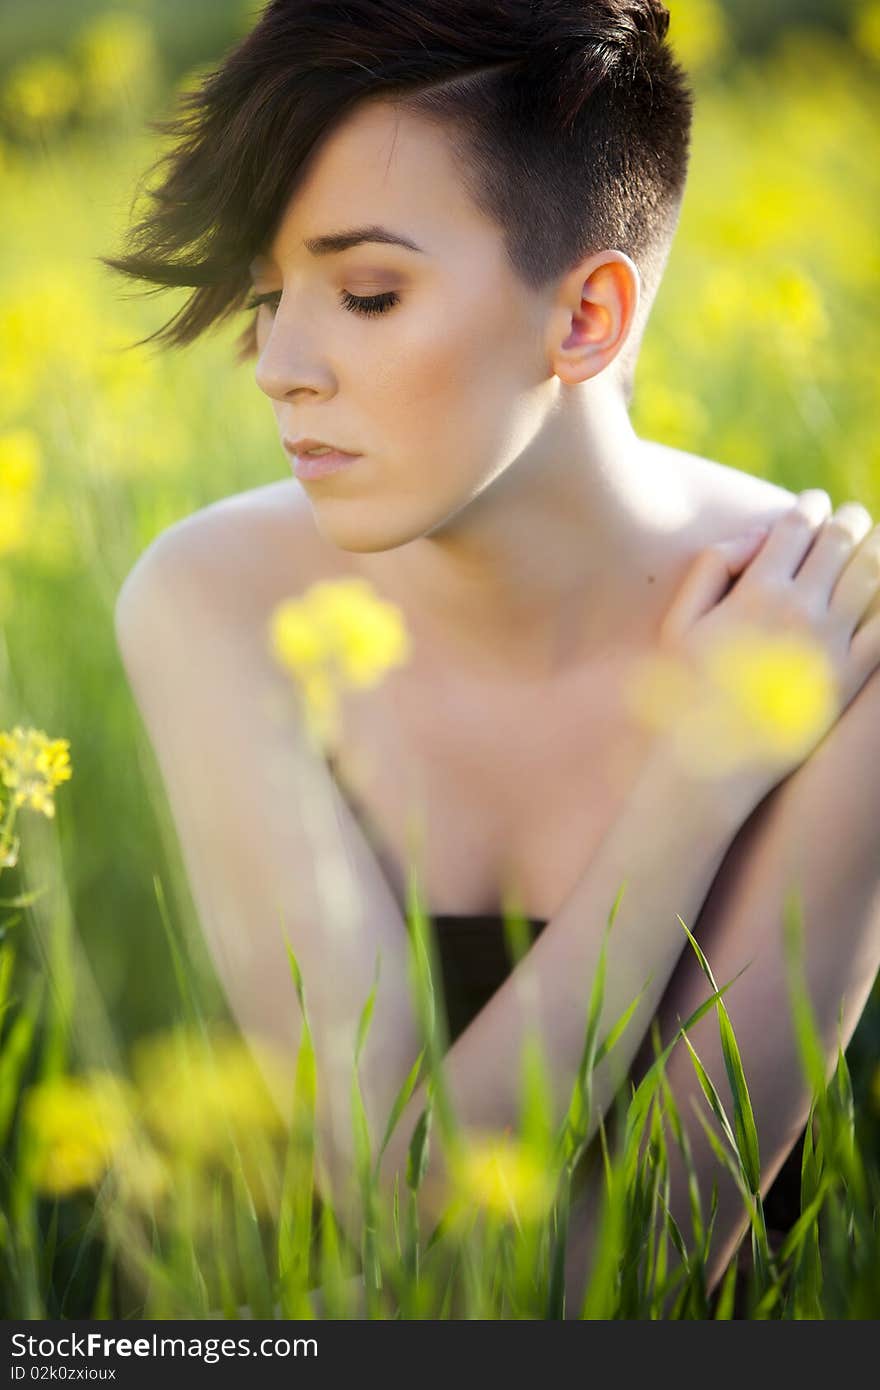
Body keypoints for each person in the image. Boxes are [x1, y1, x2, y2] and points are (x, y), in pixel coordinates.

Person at [105, 0, 880, 1315]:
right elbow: (413, 1243)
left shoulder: (836, 636)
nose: (279, 367)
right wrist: (698, 777)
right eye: (266, 297)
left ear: (586, 316)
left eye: (365, 292)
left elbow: (642, 1272)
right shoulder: (210, 600)